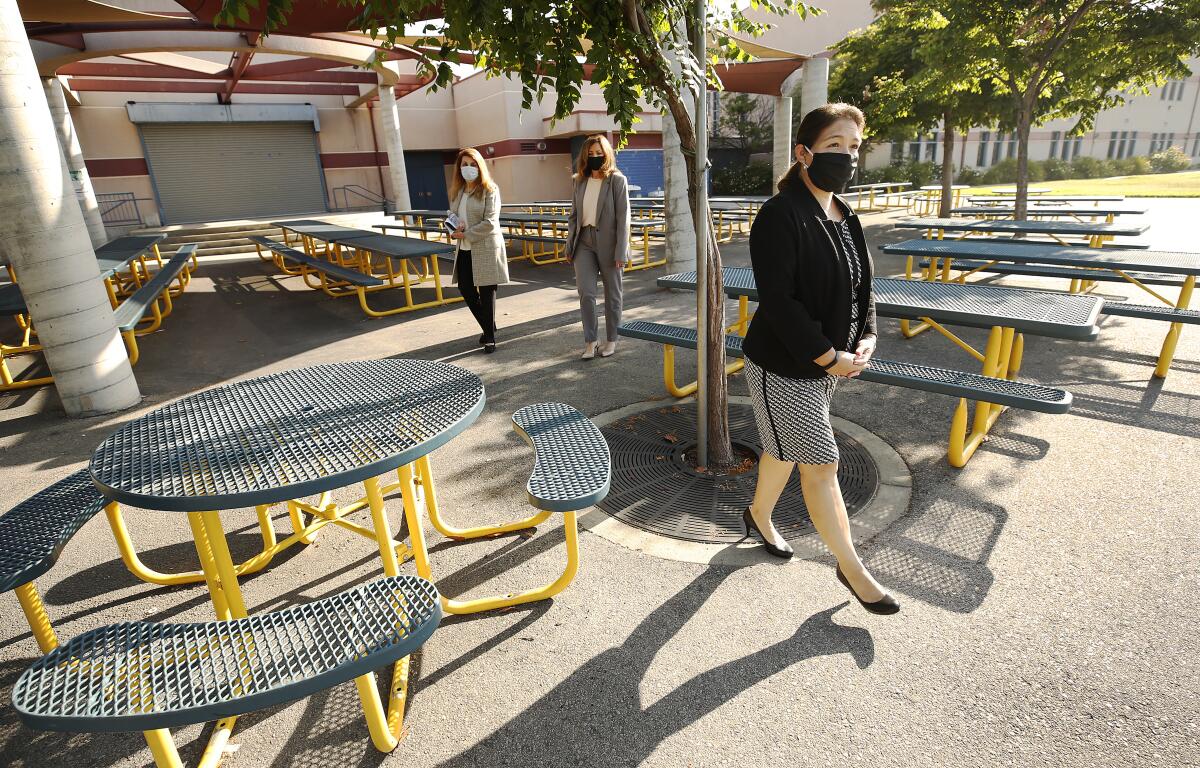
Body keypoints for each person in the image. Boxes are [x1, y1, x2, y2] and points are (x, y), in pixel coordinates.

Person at [740, 103, 900, 616]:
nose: (847, 156)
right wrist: (828, 354)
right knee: (821, 461)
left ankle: (758, 515)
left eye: (854, 147)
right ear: (804, 152)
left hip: (832, 364)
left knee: (784, 448)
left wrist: (868, 335)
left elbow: (863, 286)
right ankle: (851, 568)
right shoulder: (780, 214)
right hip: (784, 365)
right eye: (835, 145)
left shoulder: (845, 215)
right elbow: (779, 301)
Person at [565, 134, 630, 360]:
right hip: (583, 241)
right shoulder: (579, 181)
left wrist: (621, 251)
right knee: (586, 293)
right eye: (590, 154)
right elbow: (573, 216)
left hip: (610, 244)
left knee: (613, 294)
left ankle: (611, 340)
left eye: (599, 153)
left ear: (606, 154)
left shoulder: (617, 180)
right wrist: (569, 244)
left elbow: (623, 219)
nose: (595, 157)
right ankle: (591, 341)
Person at [448, 147, 509, 353]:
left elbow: (491, 222)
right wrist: (452, 227)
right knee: (465, 288)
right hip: (464, 248)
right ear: (459, 168)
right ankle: (488, 325)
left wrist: (466, 233)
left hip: (485, 247)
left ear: (480, 166)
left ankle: (490, 338)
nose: (468, 168)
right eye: (464, 164)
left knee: (486, 290)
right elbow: (452, 216)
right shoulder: (458, 192)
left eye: (472, 164)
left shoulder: (490, 190)